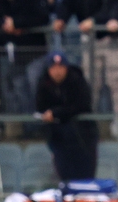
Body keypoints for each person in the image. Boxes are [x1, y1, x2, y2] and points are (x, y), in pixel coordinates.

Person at [53, 0, 118, 137]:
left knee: (116, 82)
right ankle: (89, 124)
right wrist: (62, 19)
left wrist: (96, 20)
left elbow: (116, 5)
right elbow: (67, 3)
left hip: (111, 39)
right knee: (89, 84)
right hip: (88, 39)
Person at [0, 0, 49, 116]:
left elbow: (43, 17)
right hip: (4, 52)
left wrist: (18, 23)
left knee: (33, 86)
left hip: (33, 52)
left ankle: (35, 122)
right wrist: (3, 25)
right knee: (9, 88)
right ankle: (14, 122)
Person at [35, 51, 98, 181]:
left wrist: (56, 113)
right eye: (53, 68)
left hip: (82, 137)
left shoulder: (77, 80)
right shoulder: (44, 84)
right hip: (58, 138)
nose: (57, 71)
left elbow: (81, 105)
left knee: (85, 176)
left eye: (61, 67)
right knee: (65, 176)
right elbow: (40, 107)